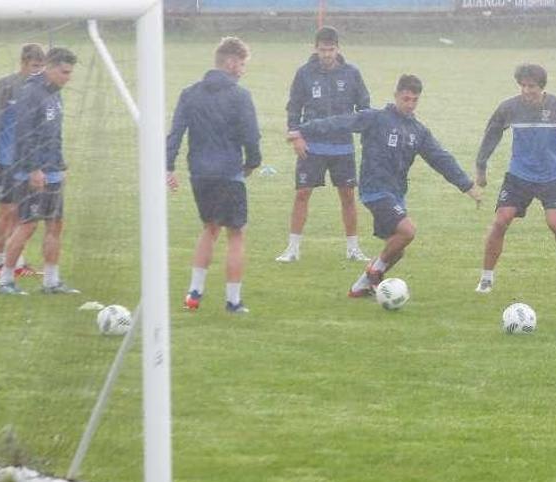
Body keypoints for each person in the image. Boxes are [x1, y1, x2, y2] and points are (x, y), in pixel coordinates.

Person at [287, 74, 482, 297]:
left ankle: (359, 288)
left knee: (396, 249)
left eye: (414, 100)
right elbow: (340, 121)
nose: (409, 104)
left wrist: (466, 185)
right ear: (396, 95)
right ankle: (374, 272)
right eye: (405, 98)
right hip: (375, 190)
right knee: (407, 231)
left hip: (396, 193)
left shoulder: (418, 132)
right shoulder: (376, 118)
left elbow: (441, 158)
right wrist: (303, 129)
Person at [166, 37, 261, 314]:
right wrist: (253, 162)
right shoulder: (240, 96)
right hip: (229, 173)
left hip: (200, 174)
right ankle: (233, 301)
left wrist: (168, 166)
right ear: (230, 63)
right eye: (242, 64)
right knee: (236, 233)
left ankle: (194, 293)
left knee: (209, 227)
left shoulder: (189, 93)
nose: (243, 70)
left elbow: (176, 133)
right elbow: (251, 135)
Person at [473, 64, 556, 294]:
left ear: (542, 87)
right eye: (522, 85)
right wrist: (481, 168)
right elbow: (491, 134)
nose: (526, 90)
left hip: (551, 176)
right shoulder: (509, 107)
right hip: (519, 175)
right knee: (500, 221)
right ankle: (486, 278)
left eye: (531, 86)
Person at [275, 26, 371, 263]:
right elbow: (294, 107)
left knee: (348, 196)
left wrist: (356, 126)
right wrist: (296, 136)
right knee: (302, 194)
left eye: (331, 50)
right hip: (312, 146)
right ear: (315, 49)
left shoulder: (351, 73)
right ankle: (293, 249)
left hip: (342, 146)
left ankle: (353, 249)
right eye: (322, 50)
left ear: (338, 49)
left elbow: (365, 108)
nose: (327, 54)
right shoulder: (304, 74)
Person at [0, 47, 78, 295]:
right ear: (50, 67)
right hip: (31, 172)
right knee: (28, 225)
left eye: (70, 73)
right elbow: (25, 134)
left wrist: (60, 166)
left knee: (55, 224)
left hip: (52, 170)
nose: (68, 77)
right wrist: (34, 169)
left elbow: (54, 134)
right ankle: (6, 281)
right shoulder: (31, 93)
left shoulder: (56, 94)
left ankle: (51, 281)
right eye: (64, 72)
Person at [0, 43, 45, 279]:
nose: (38, 71)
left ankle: (16, 262)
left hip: (27, 163)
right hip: (4, 161)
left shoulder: (41, 90)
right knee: (5, 212)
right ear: (23, 63)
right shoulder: (6, 85)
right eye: (34, 66)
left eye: (41, 66)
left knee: (21, 214)